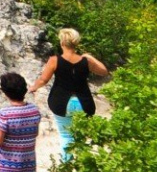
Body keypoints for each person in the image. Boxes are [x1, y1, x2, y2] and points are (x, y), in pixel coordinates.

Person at [29, 28, 109, 161]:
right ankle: (83, 164)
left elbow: (43, 80)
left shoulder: (54, 60)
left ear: (62, 43)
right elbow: (104, 71)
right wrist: (90, 57)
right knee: (81, 136)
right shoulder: (86, 61)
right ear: (76, 43)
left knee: (66, 136)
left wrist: (33, 87)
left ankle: (67, 164)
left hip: (61, 103)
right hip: (83, 103)